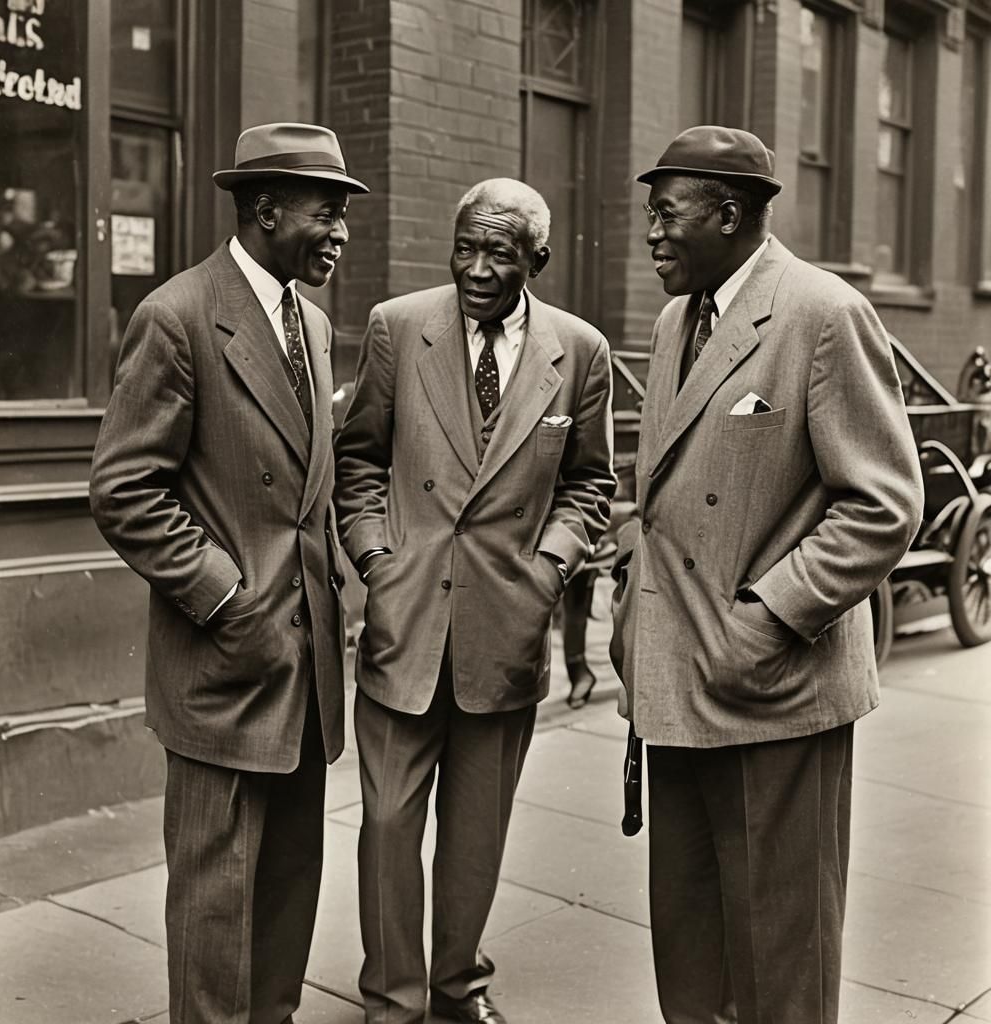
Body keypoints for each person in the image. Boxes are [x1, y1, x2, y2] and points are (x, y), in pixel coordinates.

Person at [611, 125, 923, 1024]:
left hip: (775, 690)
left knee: (782, 958)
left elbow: (883, 505)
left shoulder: (823, 314)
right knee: (691, 948)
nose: (651, 233)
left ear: (729, 214)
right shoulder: (677, 318)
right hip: (675, 682)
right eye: (649, 214)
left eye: (667, 213)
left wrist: (766, 619)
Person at [89, 122, 368, 1024]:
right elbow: (124, 489)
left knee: (287, 888)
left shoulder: (312, 322)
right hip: (225, 666)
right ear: (264, 209)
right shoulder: (176, 316)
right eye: (326, 212)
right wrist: (227, 598)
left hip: (305, 669)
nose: (340, 233)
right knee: (215, 904)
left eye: (344, 215)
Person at [334, 178, 616, 1024]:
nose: (478, 269)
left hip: (506, 628)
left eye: (499, 252)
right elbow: (359, 460)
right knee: (388, 824)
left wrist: (548, 571)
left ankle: (458, 985)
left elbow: (590, 483)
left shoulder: (581, 350)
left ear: (538, 258)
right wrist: (377, 559)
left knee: (476, 831)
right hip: (406, 620)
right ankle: (393, 1000)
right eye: (466, 248)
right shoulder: (397, 326)